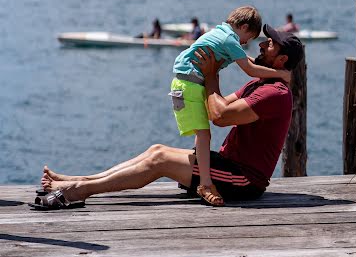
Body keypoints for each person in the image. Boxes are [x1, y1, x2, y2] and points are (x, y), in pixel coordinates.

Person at [37, 24, 304, 209]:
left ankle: (80, 191)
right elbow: (220, 107)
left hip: (244, 180)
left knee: (160, 161)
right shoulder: (260, 84)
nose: (264, 43)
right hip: (226, 164)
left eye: (271, 44)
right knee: (157, 150)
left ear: (282, 60)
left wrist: (211, 75)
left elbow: (220, 116)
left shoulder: (276, 93)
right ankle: (82, 180)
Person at [171, 5, 291, 207]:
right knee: (203, 135)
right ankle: (206, 183)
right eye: (249, 38)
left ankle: (203, 173)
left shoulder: (220, 34)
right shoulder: (230, 40)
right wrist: (280, 74)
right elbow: (250, 69)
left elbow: (245, 61)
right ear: (243, 27)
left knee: (199, 135)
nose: (247, 43)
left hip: (186, 81)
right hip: (190, 83)